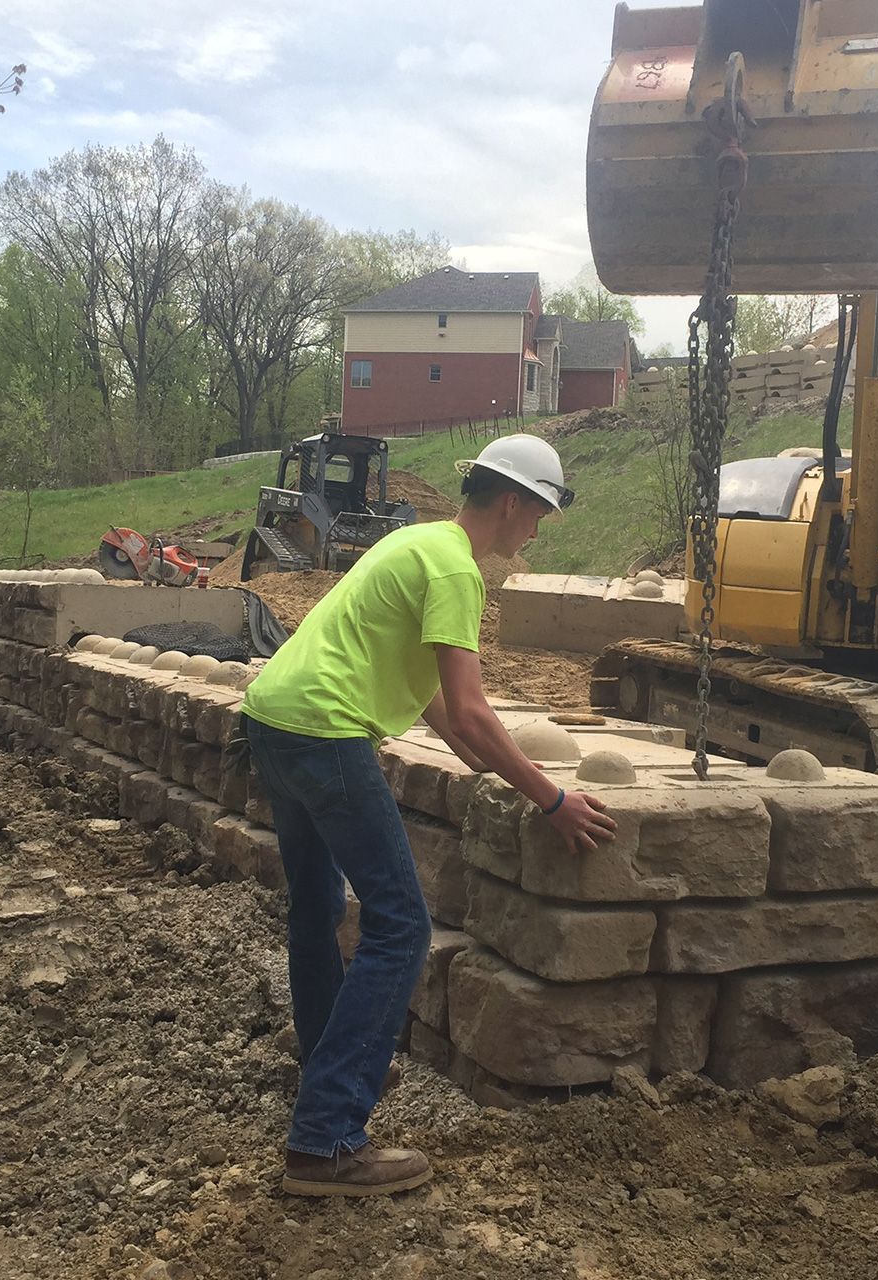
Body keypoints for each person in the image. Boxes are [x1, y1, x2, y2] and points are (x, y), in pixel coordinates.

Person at [240, 432, 619, 1198]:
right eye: (538, 515)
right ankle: (327, 1141)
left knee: (315, 911)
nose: (535, 533)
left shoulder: (418, 543)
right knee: (402, 925)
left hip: (273, 718)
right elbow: (476, 711)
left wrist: (477, 753)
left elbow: (442, 702)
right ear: (511, 503)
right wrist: (549, 797)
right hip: (324, 730)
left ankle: (324, 1075)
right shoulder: (456, 568)